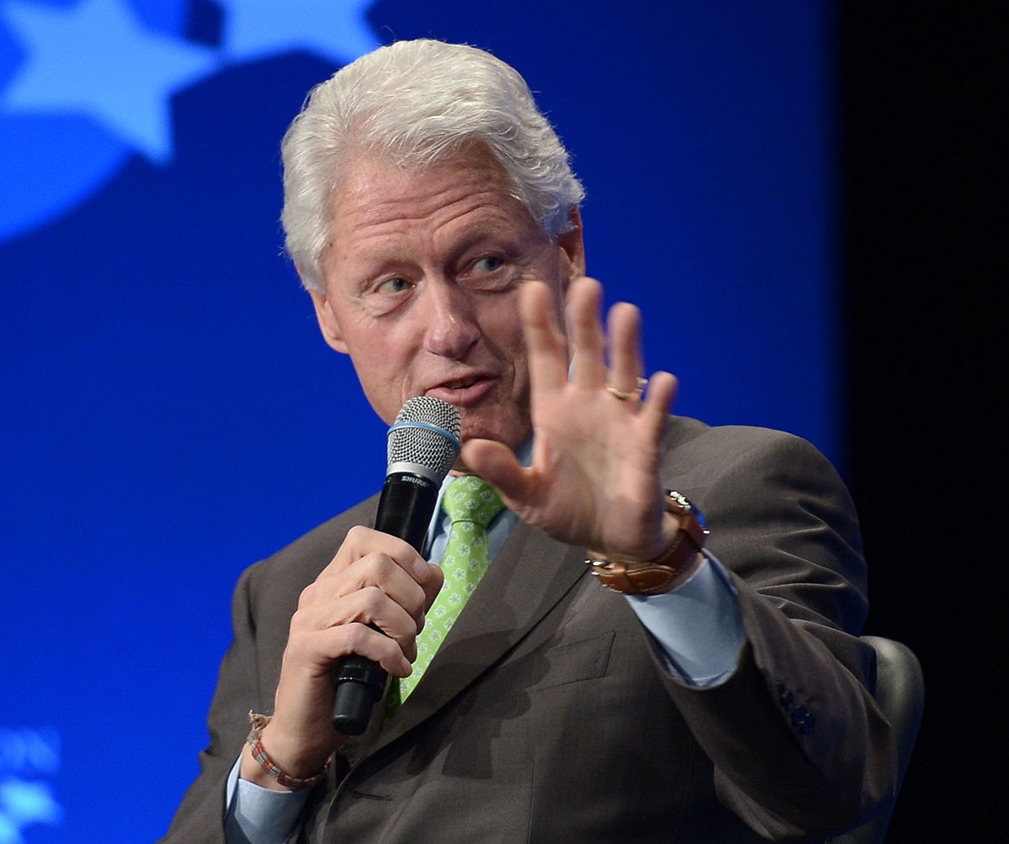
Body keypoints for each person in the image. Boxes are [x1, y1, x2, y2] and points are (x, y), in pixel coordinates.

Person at [161, 39, 896, 844]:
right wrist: (281, 760)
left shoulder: (735, 488)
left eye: (484, 263)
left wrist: (662, 565)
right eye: (392, 285)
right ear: (329, 314)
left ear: (567, 249)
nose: (446, 330)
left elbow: (832, 789)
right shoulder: (285, 591)